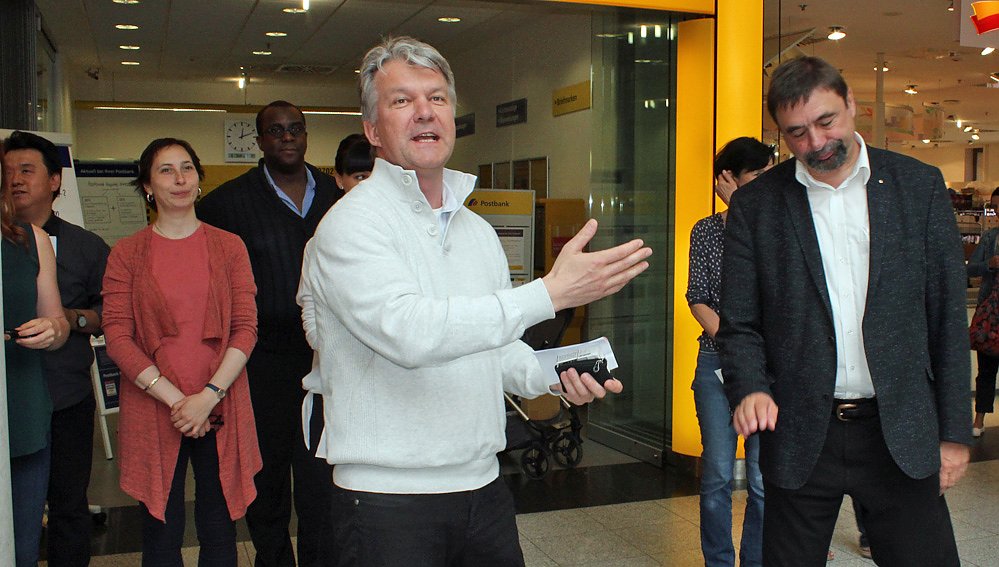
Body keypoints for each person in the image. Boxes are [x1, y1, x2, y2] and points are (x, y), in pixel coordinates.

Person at [299, 36, 652, 566]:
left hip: (483, 489)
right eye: (402, 100)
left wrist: (555, 376)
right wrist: (549, 293)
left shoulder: (478, 232)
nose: (424, 112)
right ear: (373, 129)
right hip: (386, 500)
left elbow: (496, 348)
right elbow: (410, 333)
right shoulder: (350, 224)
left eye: (437, 98)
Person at [718, 55, 971, 566]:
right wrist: (751, 387)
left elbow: (946, 318)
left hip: (899, 428)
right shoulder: (756, 205)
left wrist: (954, 433)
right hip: (800, 430)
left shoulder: (918, 187)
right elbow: (739, 322)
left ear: (851, 103)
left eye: (826, 121)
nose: (816, 142)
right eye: (797, 133)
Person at [196, 100, 342, 567]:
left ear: (306, 135)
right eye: (275, 131)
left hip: (329, 361)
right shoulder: (225, 204)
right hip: (260, 365)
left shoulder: (338, 197)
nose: (287, 137)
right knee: (267, 478)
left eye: (295, 128)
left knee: (322, 478)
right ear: (259, 141)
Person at [102, 138, 261, 565]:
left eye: (187, 167)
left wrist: (208, 396)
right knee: (160, 534)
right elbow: (117, 336)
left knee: (220, 530)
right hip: (155, 407)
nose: (179, 179)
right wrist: (180, 403)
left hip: (221, 405)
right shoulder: (126, 253)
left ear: (198, 178)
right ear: (147, 186)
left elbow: (245, 328)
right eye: (166, 170)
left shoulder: (230, 246)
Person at [3, 130, 110, 567]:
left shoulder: (86, 246)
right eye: (7, 171)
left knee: (68, 505)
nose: (15, 180)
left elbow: (110, 311)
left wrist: (71, 319)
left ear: (54, 180)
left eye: (27, 170)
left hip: (66, 395)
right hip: (10, 398)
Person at [686, 137, 772, 567]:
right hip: (716, 362)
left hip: (768, 368)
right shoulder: (705, 231)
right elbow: (697, 297)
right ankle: (718, 562)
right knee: (718, 472)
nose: (766, 184)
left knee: (761, 479)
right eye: (757, 176)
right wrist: (736, 343)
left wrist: (743, 211)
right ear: (728, 178)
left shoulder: (776, 228)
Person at [0, 140, 70, 566]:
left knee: (22, 547)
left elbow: (57, 323)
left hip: (22, 408)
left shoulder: (32, 238)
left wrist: (53, 330)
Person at [967, 186, 999, 438]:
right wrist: (989, 264)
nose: (997, 213)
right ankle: (979, 419)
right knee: (986, 369)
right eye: (995, 208)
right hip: (991, 313)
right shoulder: (990, 238)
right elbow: (970, 268)